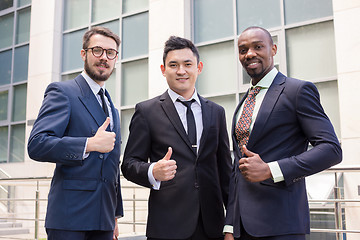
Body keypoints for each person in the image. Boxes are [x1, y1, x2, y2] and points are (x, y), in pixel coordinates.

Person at [223, 26, 342, 240]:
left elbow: (331, 149)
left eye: (258, 47)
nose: (250, 53)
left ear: (273, 49)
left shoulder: (297, 91)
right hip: (242, 229)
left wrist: (271, 169)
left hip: (282, 225)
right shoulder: (244, 102)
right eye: (243, 50)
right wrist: (230, 226)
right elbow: (237, 169)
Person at [121, 36, 232, 240]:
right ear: (164, 70)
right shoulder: (146, 111)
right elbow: (128, 164)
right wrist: (152, 171)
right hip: (168, 227)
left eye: (187, 64)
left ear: (198, 67)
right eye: (173, 65)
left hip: (212, 226)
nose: (181, 71)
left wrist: (232, 224)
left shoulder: (216, 112)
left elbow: (225, 171)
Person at [28, 26, 123, 240]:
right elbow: (37, 144)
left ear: (116, 58)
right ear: (84, 54)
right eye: (97, 50)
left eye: (111, 53)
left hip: (104, 220)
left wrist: (115, 213)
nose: (104, 58)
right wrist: (88, 144)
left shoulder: (112, 108)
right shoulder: (63, 92)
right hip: (69, 219)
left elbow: (112, 166)